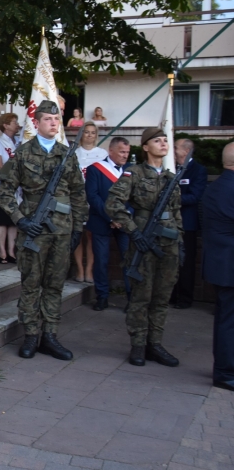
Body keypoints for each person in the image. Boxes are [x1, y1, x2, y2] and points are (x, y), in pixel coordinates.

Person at [0, 100, 87, 360]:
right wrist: (20, 219)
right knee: (31, 283)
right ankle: (30, 335)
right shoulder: (23, 153)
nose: (53, 123)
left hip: (62, 230)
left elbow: (78, 193)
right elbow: (5, 192)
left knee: (55, 285)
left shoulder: (67, 154)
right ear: (36, 123)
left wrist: (78, 227)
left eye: (56, 119)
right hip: (33, 229)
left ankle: (50, 335)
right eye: (48, 119)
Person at [106, 127, 183, 367]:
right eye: (157, 141)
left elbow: (177, 213)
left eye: (165, 140)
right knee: (141, 296)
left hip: (168, 243)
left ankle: (155, 344)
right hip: (144, 241)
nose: (163, 143)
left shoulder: (171, 177)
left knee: (162, 297)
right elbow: (113, 203)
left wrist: (180, 242)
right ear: (146, 147)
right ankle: (138, 345)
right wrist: (133, 230)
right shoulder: (134, 173)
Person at [86, 137, 132, 311]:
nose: (125, 156)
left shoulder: (131, 170)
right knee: (101, 261)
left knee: (129, 260)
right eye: (122, 152)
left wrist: (122, 217)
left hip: (125, 222)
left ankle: (132, 299)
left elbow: (136, 198)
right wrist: (110, 218)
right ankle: (102, 297)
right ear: (111, 151)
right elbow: (92, 196)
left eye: (127, 152)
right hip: (101, 221)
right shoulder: (95, 169)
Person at [203, 142, 234, 391]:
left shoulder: (215, 187)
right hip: (229, 264)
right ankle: (225, 372)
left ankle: (225, 368)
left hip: (220, 262)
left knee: (226, 318)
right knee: (228, 320)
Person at [170, 138, 207, 309]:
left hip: (187, 224)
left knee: (186, 262)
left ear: (186, 151)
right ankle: (171, 295)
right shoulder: (172, 168)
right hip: (169, 223)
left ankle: (185, 298)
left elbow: (194, 196)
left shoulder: (198, 170)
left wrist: (172, 199)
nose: (172, 150)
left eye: (176, 147)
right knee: (170, 260)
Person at [72, 122, 108, 282]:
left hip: (94, 200)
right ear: (81, 134)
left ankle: (89, 270)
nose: (89, 135)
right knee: (78, 234)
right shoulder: (74, 153)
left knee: (91, 235)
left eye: (93, 132)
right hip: (77, 199)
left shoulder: (102, 154)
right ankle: (79, 270)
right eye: (86, 132)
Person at [0, 113, 20, 264]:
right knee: (2, 220)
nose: (17, 125)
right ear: (6, 125)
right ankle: (2, 251)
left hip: (18, 187)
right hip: (4, 185)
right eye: (14, 122)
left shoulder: (19, 142)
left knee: (13, 220)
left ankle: (11, 251)